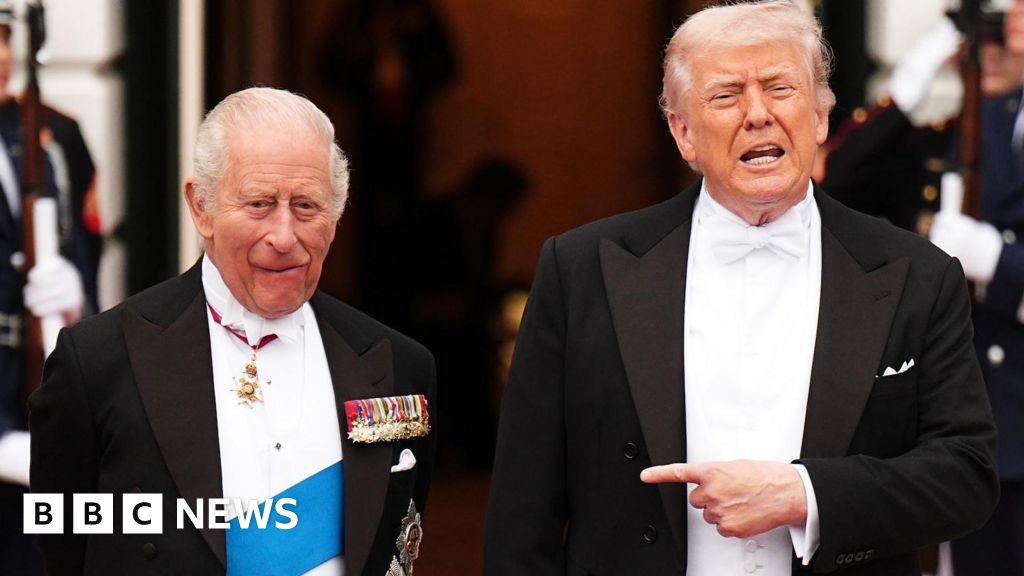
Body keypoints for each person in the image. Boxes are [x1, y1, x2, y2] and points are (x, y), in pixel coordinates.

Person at [483, 2, 998, 575]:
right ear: (683, 133)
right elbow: (521, 516)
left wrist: (807, 496)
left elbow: (965, 473)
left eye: (780, 88)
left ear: (821, 117)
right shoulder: (580, 269)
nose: (758, 114)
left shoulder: (918, 274)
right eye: (726, 95)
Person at [29, 88, 436, 576]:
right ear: (201, 207)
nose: (284, 237)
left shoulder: (400, 366)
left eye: (306, 206)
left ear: (336, 218)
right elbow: (58, 549)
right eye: (260, 204)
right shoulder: (96, 362)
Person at [819, 2, 1024, 574]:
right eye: (976, 51)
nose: (990, 61)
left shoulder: (1011, 144)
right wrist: (913, 77)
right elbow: (836, 176)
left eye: (1002, 48)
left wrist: (999, 261)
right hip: (936, 403)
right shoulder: (933, 145)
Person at [0, 4, 99, 574]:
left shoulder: (55, 133)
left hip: (39, 394)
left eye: (5, 37)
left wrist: (74, 297)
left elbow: (86, 253)